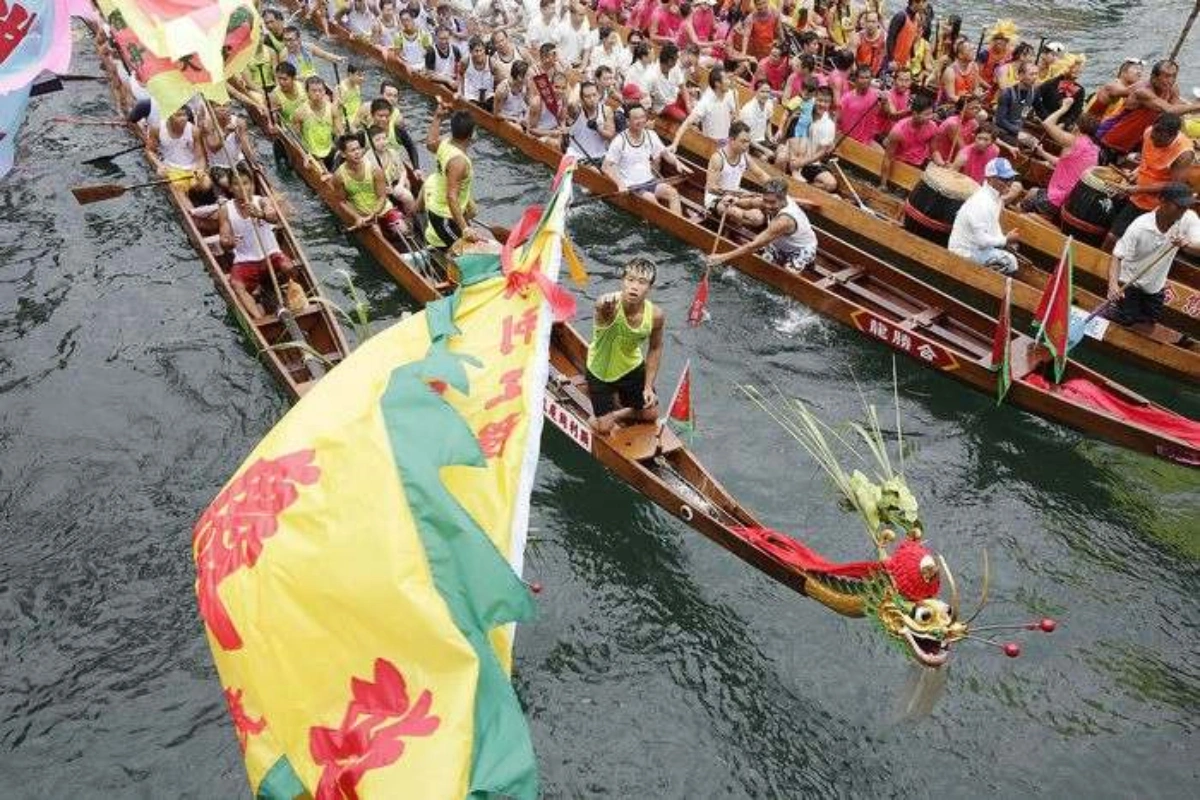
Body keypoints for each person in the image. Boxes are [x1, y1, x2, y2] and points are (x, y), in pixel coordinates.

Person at [1104, 183, 1200, 339]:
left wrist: (1187, 244)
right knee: (1126, 322)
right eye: (1179, 206)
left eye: (1186, 206)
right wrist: (1113, 285)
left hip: (1154, 288)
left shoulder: (1188, 218)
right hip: (1129, 283)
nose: (1183, 211)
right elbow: (1117, 255)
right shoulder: (1140, 226)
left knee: (1146, 327)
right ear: (1163, 201)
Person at [585, 258, 665, 436]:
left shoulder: (656, 315)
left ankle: (616, 412)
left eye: (642, 282)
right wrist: (604, 309)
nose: (634, 286)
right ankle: (607, 414)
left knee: (652, 413)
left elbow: (655, 348)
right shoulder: (607, 305)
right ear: (623, 281)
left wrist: (648, 387)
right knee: (603, 427)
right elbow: (601, 308)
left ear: (650, 288)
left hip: (630, 367)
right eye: (630, 280)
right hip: (601, 370)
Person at [220, 165, 296, 320]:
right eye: (237, 184)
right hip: (246, 260)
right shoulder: (226, 209)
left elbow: (274, 217)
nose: (242, 188)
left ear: (252, 184)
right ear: (231, 188)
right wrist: (230, 242)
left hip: (270, 255)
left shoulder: (261, 201)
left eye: (246, 183)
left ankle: (287, 296)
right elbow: (223, 240)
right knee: (236, 286)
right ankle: (259, 320)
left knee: (289, 267)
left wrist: (260, 214)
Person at [706, 178, 822, 272]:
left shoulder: (784, 220)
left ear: (783, 200)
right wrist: (735, 201)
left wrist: (722, 258)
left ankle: (805, 265)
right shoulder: (772, 199)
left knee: (788, 272)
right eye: (765, 200)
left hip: (801, 249)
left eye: (772, 203)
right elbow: (751, 202)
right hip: (780, 243)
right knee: (760, 262)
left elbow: (753, 245)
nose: (767, 205)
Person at [1109, 113, 1195, 239]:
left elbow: (1175, 187)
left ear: (1173, 136)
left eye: (1159, 140)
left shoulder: (1184, 154)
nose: (1153, 141)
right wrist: (1136, 172)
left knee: (1124, 240)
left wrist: (1139, 189)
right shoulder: (1149, 132)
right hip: (1136, 195)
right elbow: (1146, 160)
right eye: (1153, 137)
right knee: (1112, 236)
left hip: (1156, 206)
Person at [1098, 60, 1200, 158]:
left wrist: (1186, 140)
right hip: (1113, 139)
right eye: (1167, 76)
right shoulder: (1142, 90)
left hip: (1139, 141)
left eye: (1174, 76)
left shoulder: (1172, 87)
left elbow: (1176, 114)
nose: (1171, 80)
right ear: (1153, 77)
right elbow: (1169, 110)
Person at [1019, 101, 1099, 220]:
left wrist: (1064, 108)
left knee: (1021, 210)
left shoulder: (1075, 141)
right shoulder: (1093, 148)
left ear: (1076, 127)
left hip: (1057, 199)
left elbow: (1047, 123)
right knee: (1032, 191)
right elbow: (1062, 163)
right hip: (1067, 200)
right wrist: (1042, 153)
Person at [602, 103, 687, 214]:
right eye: (636, 118)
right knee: (651, 200)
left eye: (643, 117)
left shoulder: (651, 135)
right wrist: (620, 184)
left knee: (673, 193)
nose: (641, 121)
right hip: (632, 185)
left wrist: (677, 163)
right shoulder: (619, 141)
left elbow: (665, 153)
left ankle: (678, 227)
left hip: (649, 181)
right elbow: (605, 166)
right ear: (628, 122)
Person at [947, 157, 1021, 275]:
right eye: (1004, 179)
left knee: (1011, 254)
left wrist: (1005, 241)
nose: (1009, 183)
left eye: (1010, 178)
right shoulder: (982, 202)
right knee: (1010, 261)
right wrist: (1005, 239)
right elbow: (982, 241)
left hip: (978, 249)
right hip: (964, 252)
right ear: (990, 179)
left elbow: (993, 228)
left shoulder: (996, 199)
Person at [331, 133, 411, 240]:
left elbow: (382, 197)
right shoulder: (338, 176)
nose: (357, 153)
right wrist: (357, 218)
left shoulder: (375, 170)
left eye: (358, 149)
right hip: (363, 216)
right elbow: (342, 201)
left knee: (404, 230)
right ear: (343, 154)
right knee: (377, 235)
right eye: (352, 150)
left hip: (383, 210)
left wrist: (373, 214)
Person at [423, 98, 478, 247]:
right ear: (471, 135)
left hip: (442, 209)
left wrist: (438, 117)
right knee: (462, 251)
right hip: (444, 217)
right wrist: (465, 228)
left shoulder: (445, 142)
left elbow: (429, 144)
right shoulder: (459, 162)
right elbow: (451, 196)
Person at [704, 120, 771, 225]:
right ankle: (740, 219)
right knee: (754, 218)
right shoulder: (718, 159)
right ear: (731, 140)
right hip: (716, 200)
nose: (747, 145)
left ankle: (741, 220)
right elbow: (711, 188)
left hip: (736, 197)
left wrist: (775, 187)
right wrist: (736, 194)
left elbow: (761, 175)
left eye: (748, 141)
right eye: (743, 141)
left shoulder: (744, 156)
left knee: (762, 205)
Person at [779, 86, 838, 191]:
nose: (822, 104)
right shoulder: (803, 110)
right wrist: (791, 119)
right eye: (820, 100)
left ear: (830, 104)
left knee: (831, 184)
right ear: (814, 99)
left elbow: (822, 152)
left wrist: (801, 163)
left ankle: (804, 187)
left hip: (810, 162)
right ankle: (781, 184)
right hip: (792, 154)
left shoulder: (829, 125)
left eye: (826, 102)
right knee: (781, 157)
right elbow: (785, 135)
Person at [879, 92, 940, 188]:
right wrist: (883, 185)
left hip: (919, 163)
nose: (930, 117)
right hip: (900, 164)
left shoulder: (932, 126)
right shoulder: (898, 130)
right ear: (915, 114)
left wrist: (941, 163)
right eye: (926, 115)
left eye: (931, 114)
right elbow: (887, 158)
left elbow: (934, 151)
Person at [669, 67, 738, 147]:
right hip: (712, 144)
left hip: (726, 141)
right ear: (717, 84)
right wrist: (675, 144)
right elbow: (687, 123)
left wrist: (735, 95)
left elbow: (737, 117)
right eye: (726, 79)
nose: (729, 82)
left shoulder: (730, 93)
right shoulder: (706, 102)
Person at [291, 76, 344, 171]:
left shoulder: (332, 109)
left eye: (320, 90)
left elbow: (339, 133)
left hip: (330, 150)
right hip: (312, 154)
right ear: (307, 93)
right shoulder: (300, 112)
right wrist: (304, 155)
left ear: (324, 92)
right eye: (314, 91)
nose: (317, 94)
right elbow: (296, 138)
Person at [149, 106, 205, 190]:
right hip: (170, 167)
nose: (183, 119)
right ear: (170, 116)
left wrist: (200, 169)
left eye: (184, 115)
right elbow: (150, 151)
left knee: (206, 185)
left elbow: (200, 157)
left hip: (191, 167)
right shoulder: (157, 128)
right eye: (178, 115)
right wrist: (159, 165)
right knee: (178, 186)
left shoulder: (194, 130)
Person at [566, 80, 616, 162]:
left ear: (598, 95)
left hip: (600, 155)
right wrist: (578, 85)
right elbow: (571, 103)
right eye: (587, 96)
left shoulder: (606, 110)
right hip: (578, 155)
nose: (592, 99)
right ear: (581, 98)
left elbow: (610, 135)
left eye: (594, 95)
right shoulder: (577, 110)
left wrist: (598, 129)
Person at [837, 65, 882, 146]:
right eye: (862, 78)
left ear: (871, 79)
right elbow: (837, 119)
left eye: (867, 77)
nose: (865, 81)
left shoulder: (877, 95)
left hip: (867, 143)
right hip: (847, 141)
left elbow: (888, 113)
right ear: (856, 79)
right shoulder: (846, 98)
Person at [994, 61, 1037, 144]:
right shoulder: (1007, 93)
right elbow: (1000, 120)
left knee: (1037, 143)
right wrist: (1018, 131)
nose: (1035, 77)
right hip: (1003, 130)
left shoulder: (1033, 92)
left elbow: (1025, 112)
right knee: (1032, 142)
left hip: (1018, 128)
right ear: (1020, 76)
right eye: (1031, 74)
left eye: (1036, 74)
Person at [460, 35, 495, 110]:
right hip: (472, 94)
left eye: (481, 50)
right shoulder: (465, 61)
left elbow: (498, 79)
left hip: (488, 93)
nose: (479, 54)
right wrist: (461, 93)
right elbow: (460, 76)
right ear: (470, 51)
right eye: (476, 51)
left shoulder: (491, 61)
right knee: (472, 109)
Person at [739, 79, 776, 145]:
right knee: (768, 154)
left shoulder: (769, 104)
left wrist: (770, 137)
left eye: (767, 92)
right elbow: (747, 137)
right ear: (755, 92)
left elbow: (768, 121)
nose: (765, 95)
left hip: (763, 140)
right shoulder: (747, 110)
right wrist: (764, 150)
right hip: (749, 143)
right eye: (762, 92)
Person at [494, 59, 532, 125]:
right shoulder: (503, 89)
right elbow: (497, 114)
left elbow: (529, 103)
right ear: (519, 77)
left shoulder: (526, 85)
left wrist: (526, 117)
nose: (530, 78)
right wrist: (513, 119)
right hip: (507, 120)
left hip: (521, 116)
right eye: (527, 75)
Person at [850, 10, 887, 76]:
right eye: (868, 21)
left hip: (877, 74)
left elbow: (886, 58)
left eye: (873, 22)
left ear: (878, 23)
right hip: (860, 74)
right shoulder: (857, 37)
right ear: (865, 22)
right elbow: (851, 60)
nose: (870, 24)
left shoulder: (885, 38)